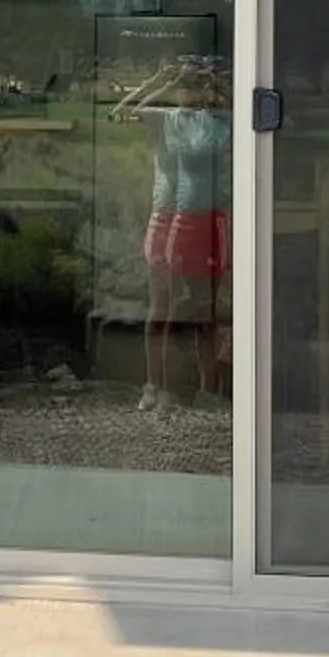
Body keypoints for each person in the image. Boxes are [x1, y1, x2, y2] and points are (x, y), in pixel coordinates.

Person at [114, 53, 231, 409]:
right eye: (184, 84)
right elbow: (120, 112)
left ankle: (208, 388)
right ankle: (153, 386)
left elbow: (246, 113)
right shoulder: (164, 119)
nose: (188, 90)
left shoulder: (216, 121)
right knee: (160, 307)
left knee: (203, 309)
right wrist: (159, 80)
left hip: (203, 220)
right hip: (167, 219)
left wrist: (218, 85)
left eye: (194, 83)